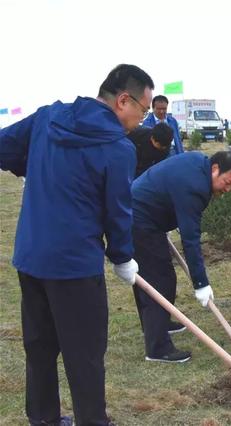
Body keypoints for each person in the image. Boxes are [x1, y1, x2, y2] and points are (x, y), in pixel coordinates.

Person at [0, 64, 153, 425]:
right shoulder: (117, 149)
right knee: (83, 354)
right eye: (143, 110)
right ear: (122, 100)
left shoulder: (48, 118)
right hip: (74, 267)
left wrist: (41, 166)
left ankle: (44, 419)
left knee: (39, 347)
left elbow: (4, 149)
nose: (143, 120)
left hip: (31, 257)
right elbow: (118, 212)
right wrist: (122, 257)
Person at [131, 150, 231, 362]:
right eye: (227, 182)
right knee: (160, 280)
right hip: (139, 219)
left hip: (144, 212)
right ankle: (158, 348)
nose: (227, 189)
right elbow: (190, 239)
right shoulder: (195, 188)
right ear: (215, 169)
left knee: (151, 275)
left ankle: (156, 324)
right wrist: (201, 283)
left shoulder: (198, 162)